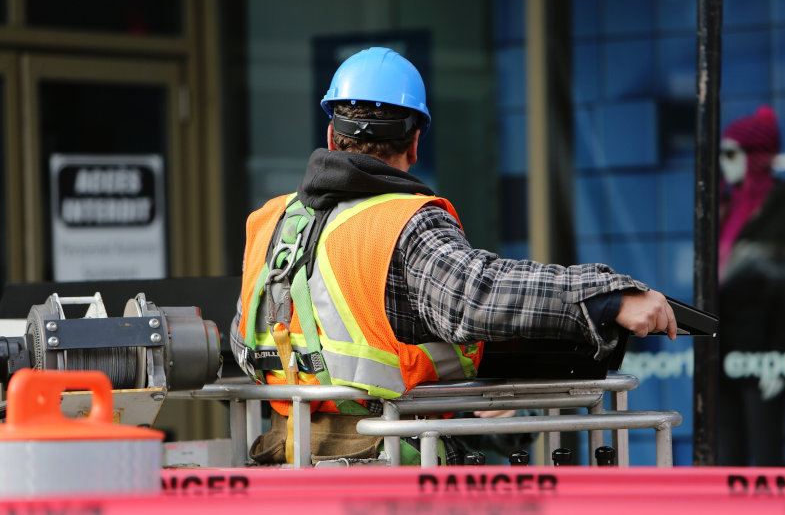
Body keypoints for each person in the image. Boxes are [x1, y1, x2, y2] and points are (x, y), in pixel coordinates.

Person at [229, 47, 677, 466]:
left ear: (330, 133)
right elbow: (476, 296)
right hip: (386, 471)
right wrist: (608, 297)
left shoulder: (270, 222)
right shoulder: (403, 223)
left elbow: (243, 338)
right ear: (415, 143)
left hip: (285, 465)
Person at [717, 105, 785, 466]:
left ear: (754, 156)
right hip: (723, 349)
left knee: (765, 456)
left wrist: (779, 356)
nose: (724, 163)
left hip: (764, 352)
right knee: (727, 455)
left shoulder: (779, 208)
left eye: (731, 153)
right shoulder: (723, 207)